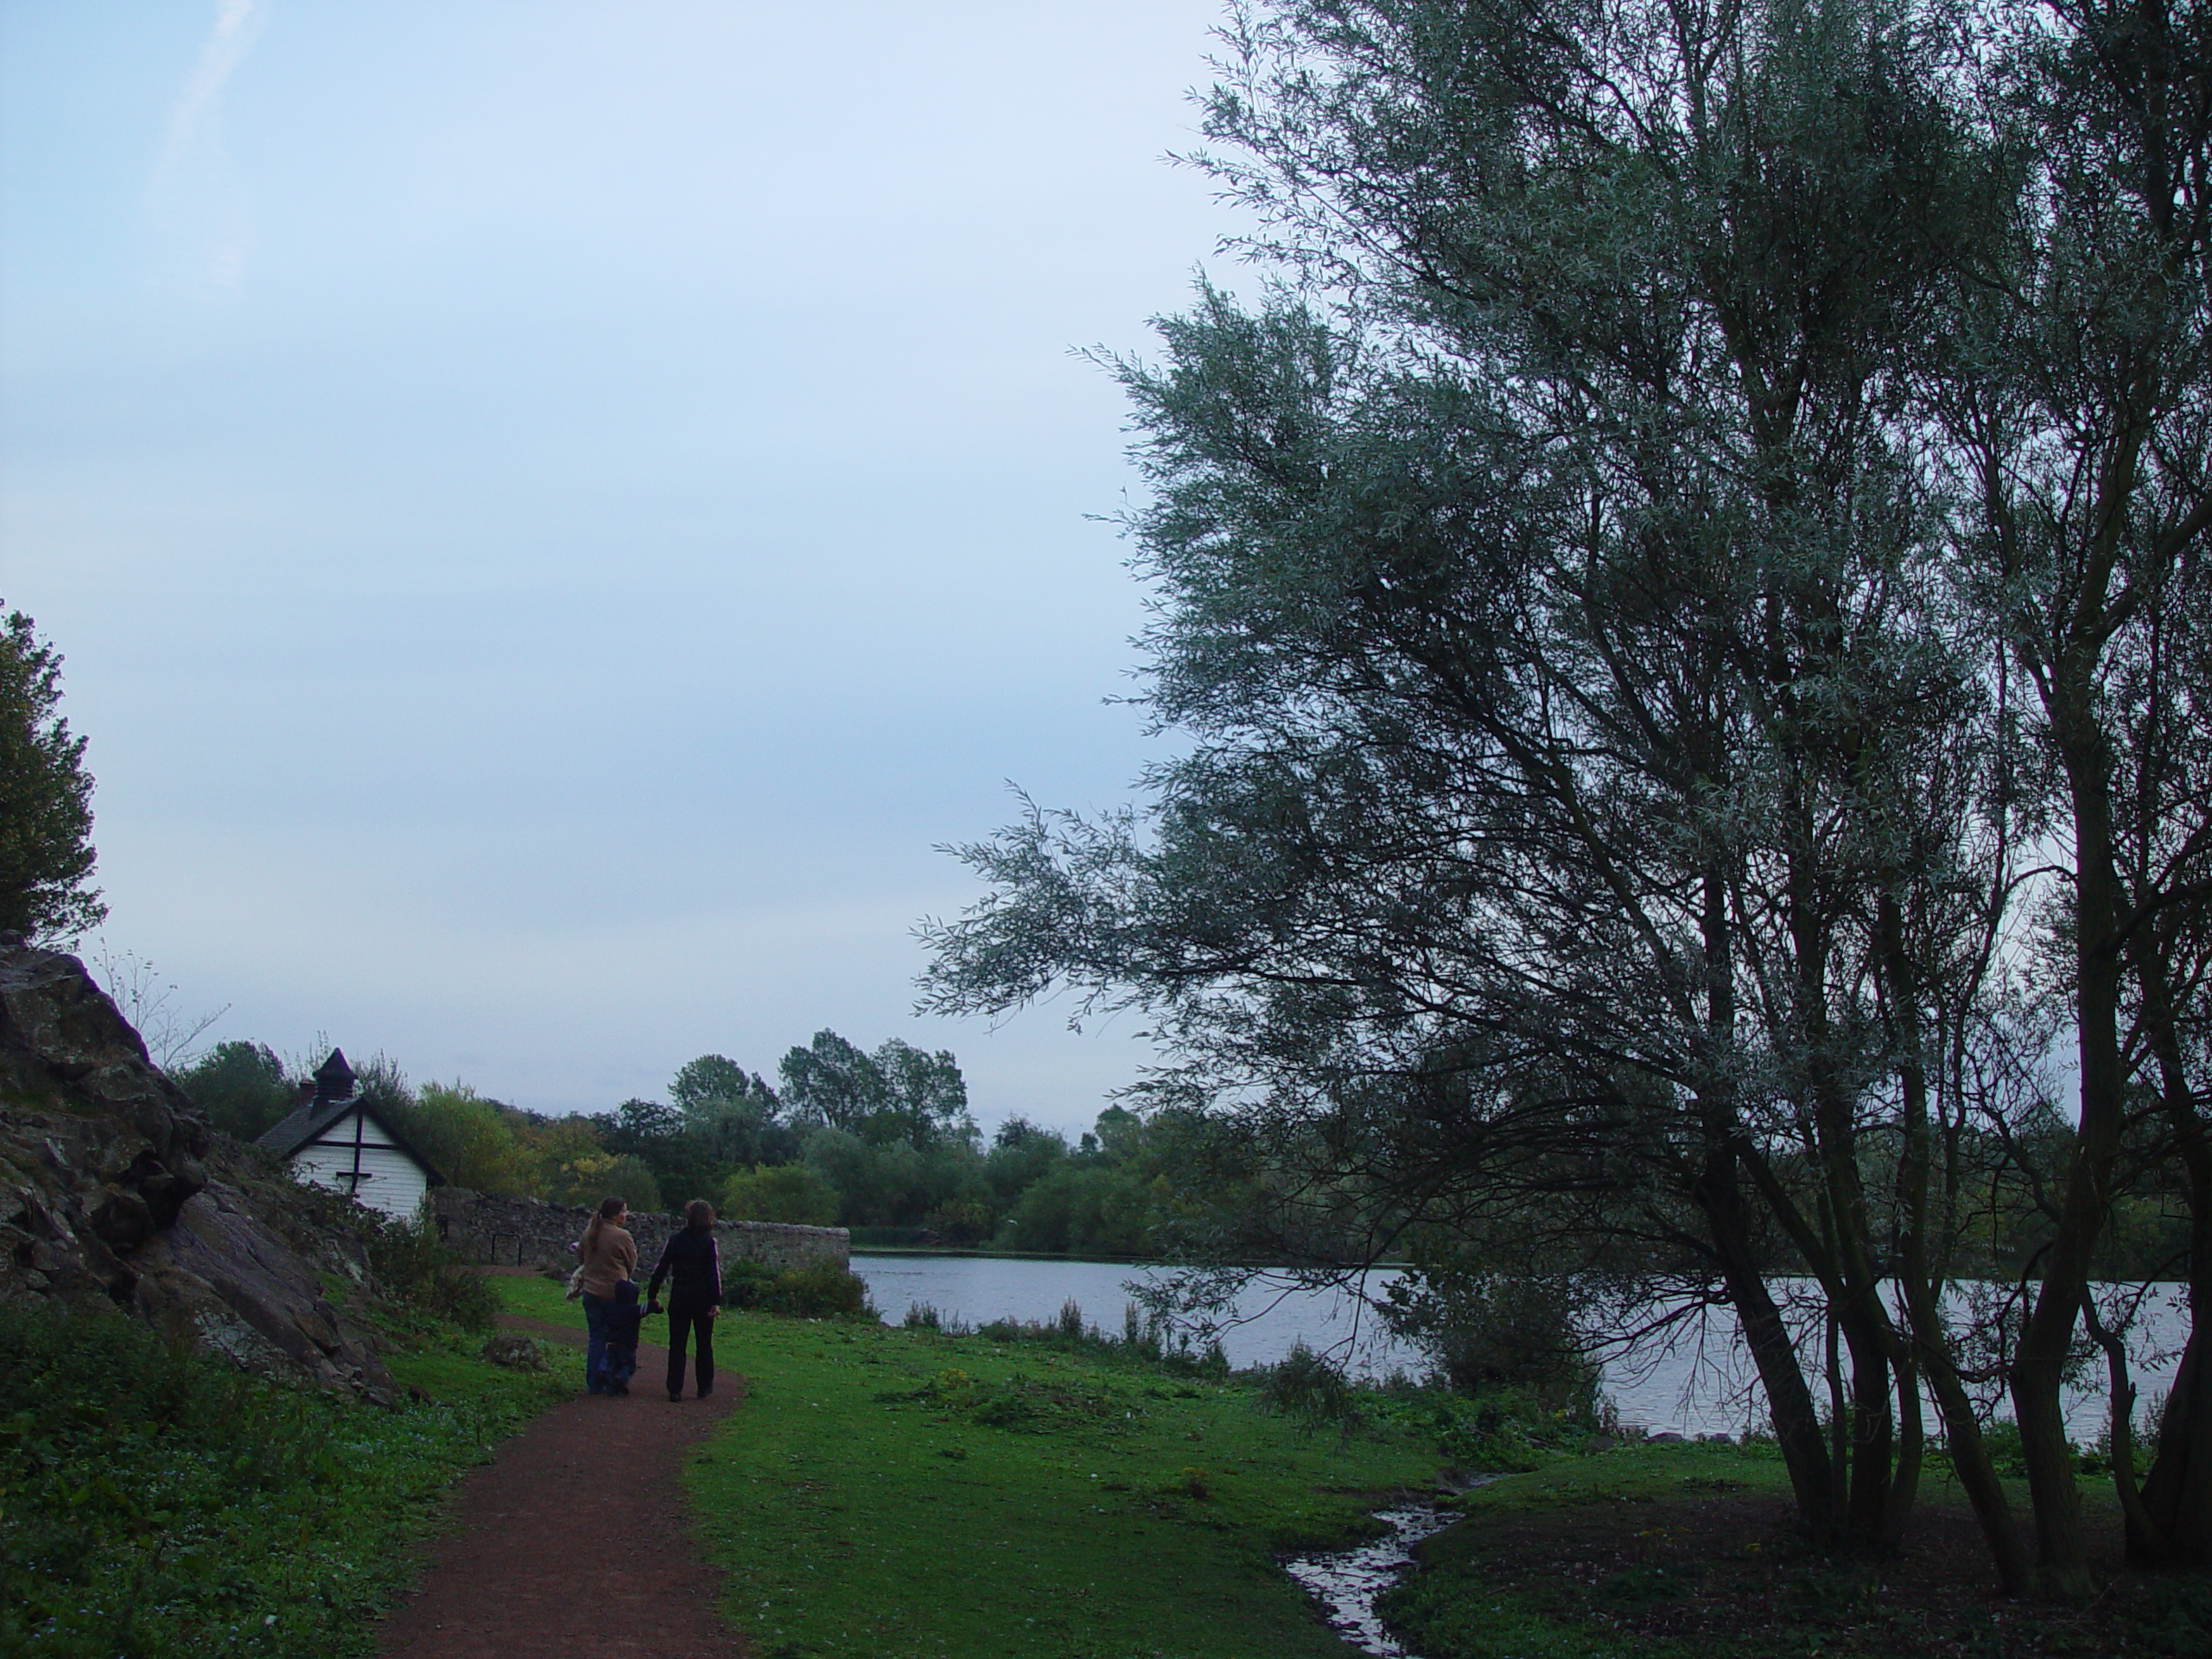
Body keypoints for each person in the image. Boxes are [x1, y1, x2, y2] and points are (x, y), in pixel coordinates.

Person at [645, 1198, 722, 1402]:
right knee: (704, 1342)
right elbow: (713, 1273)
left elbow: (661, 1269)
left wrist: (652, 1295)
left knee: (677, 1343)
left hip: (680, 1295)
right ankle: (704, 1386)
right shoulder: (709, 1242)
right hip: (702, 1297)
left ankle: (675, 1388)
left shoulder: (676, 1240)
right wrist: (716, 1301)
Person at [575, 1195, 637, 1395]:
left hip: (591, 1291)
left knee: (596, 1336)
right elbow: (631, 1264)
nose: (626, 1215)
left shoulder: (590, 1233)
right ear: (615, 1215)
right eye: (623, 1211)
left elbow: (581, 1258)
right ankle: (610, 1374)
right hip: (614, 1293)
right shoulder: (622, 1236)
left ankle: (594, 1381)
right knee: (615, 1337)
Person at [600, 1277, 648, 1395]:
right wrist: (657, 1307)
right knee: (628, 1365)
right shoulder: (633, 1309)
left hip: (612, 1343)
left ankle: (610, 1384)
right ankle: (621, 1379)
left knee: (613, 1364)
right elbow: (647, 1308)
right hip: (628, 1343)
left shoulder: (613, 1309)